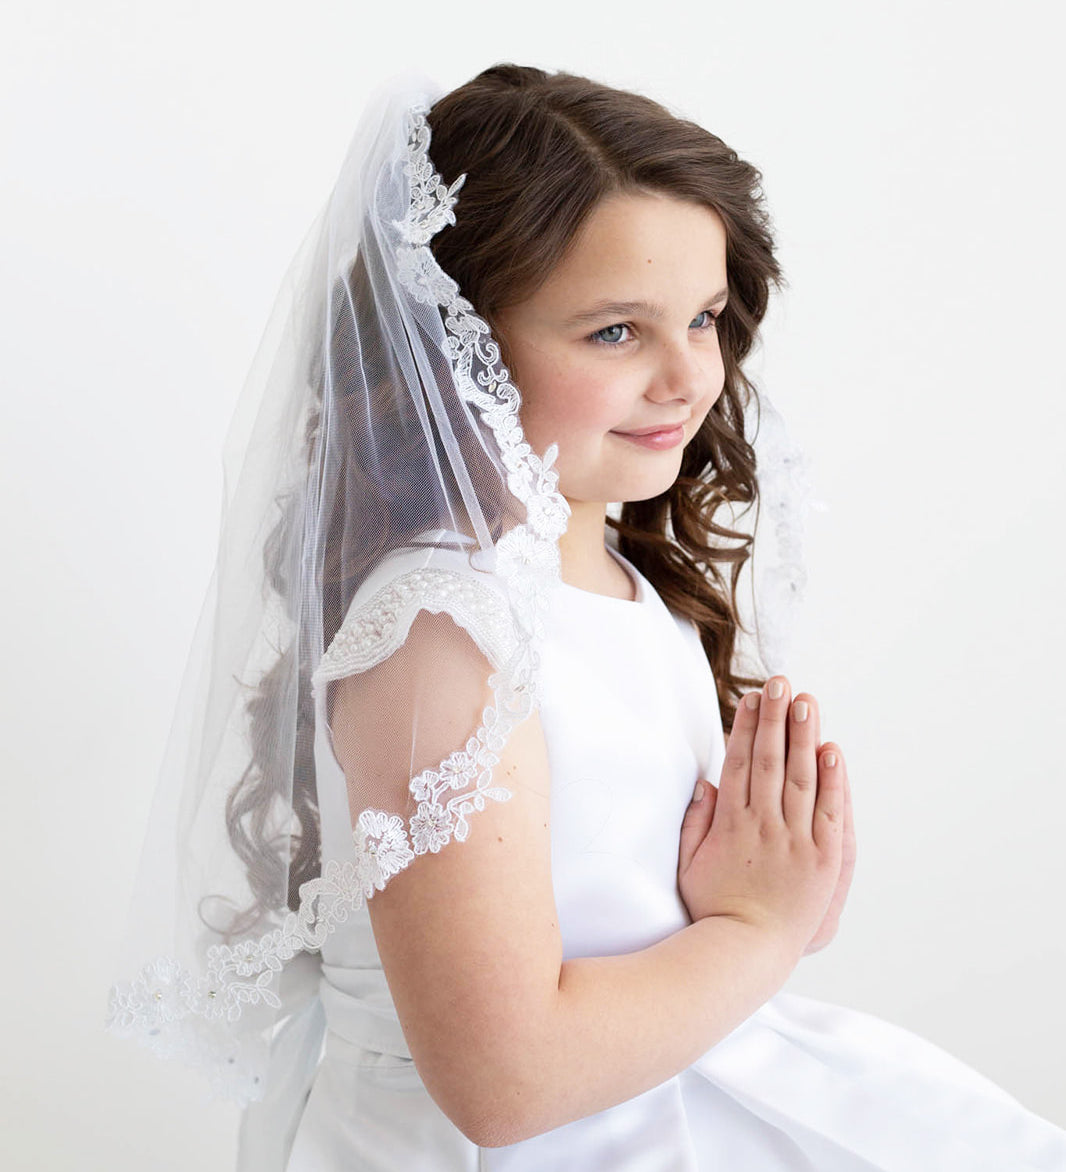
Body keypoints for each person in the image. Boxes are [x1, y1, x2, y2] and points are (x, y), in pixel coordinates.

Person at [107, 64, 1066, 1169]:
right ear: (456, 345)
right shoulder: (446, 624)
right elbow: (504, 1082)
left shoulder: (607, 573)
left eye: (703, 318)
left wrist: (764, 882)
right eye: (615, 332)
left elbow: (637, 919)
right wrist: (758, 930)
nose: (686, 376)